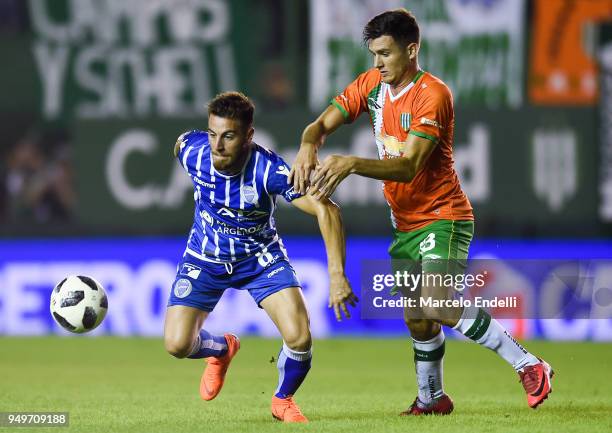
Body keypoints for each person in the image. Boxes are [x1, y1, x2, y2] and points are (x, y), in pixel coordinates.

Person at [289, 9, 553, 415]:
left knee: (438, 303)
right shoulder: (372, 86)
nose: (377, 63)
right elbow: (322, 124)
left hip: (443, 215)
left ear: (411, 50)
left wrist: (352, 163)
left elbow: (410, 166)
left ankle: (530, 364)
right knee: (418, 320)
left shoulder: (433, 95)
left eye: (385, 54)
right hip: (406, 223)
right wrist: (310, 141)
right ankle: (432, 399)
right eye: (373, 54)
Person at [164, 91, 357, 423]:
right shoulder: (192, 150)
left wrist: (337, 276)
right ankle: (222, 349)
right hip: (204, 258)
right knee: (177, 345)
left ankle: (282, 400)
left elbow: (328, 210)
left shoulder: (269, 169)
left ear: (248, 136)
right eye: (213, 134)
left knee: (299, 336)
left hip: (259, 260)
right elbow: (181, 143)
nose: (218, 145)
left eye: (228, 136)